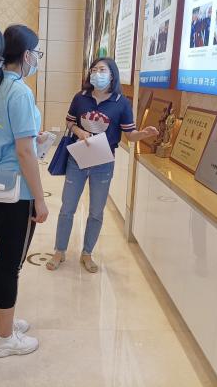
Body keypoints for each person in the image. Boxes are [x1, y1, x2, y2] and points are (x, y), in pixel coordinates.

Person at [46, 58, 159, 273]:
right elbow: (70, 121)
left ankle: (87, 253)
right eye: (94, 69)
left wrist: (143, 134)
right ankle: (59, 251)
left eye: (102, 70)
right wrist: (79, 132)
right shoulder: (80, 97)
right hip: (78, 158)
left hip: (103, 162)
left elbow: (130, 134)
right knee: (67, 207)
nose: (97, 73)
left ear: (112, 75)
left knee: (96, 211)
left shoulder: (121, 103)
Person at [0, 25, 48, 358]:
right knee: (9, 264)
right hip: (16, 193)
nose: (36, 59)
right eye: (36, 52)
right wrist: (40, 198)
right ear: (26, 55)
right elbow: (24, 152)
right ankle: (5, 339)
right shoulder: (19, 91)